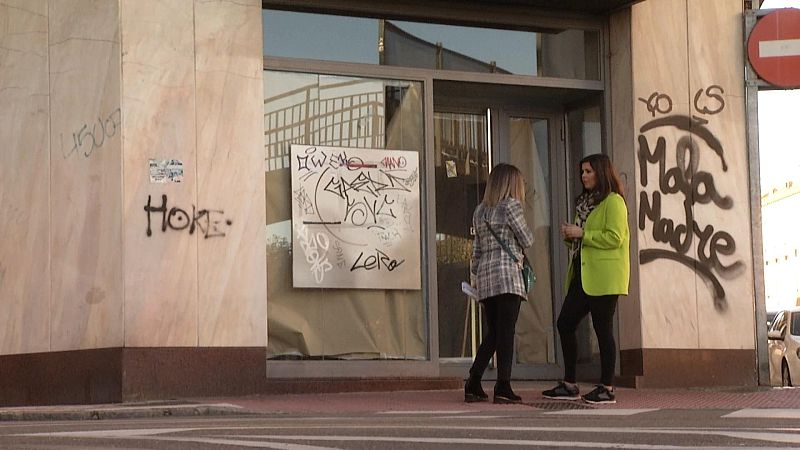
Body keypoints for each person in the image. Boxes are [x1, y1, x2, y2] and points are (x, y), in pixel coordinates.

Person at [542, 153, 629, 404]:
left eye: (589, 171)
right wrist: (571, 235)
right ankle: (570, 384)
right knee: (565, 323)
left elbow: (615, 238)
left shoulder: (614, 202)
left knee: (603, 330)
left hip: (605, 276)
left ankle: (607, 387)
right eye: (582, 172)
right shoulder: (586, 202)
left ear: (601, 172)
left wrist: (582, 232)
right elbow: (584, 238)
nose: (584, 176)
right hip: (583, 273)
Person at [465, 163, 534, 404]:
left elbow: (476, 250)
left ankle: (473, 381)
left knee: (494, 332)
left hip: (486, 277)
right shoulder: (511, 206)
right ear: (511, 183)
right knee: (506, 333)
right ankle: (503, 385)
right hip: (507, 276)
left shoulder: (480, 211)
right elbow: (527, 239)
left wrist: (476, 274)